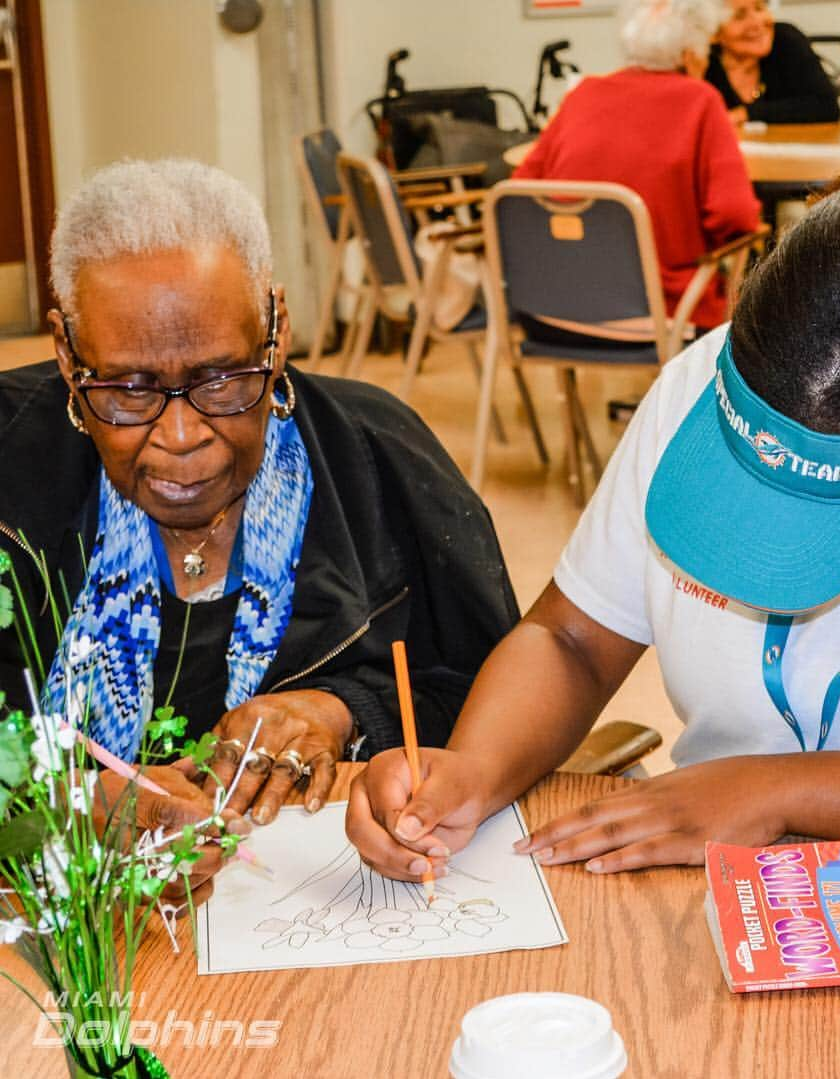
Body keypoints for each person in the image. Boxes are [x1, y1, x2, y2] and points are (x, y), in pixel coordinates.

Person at [346, 150, 840, 890]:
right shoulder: (694, 385)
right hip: (705, 889)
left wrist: (782, 790)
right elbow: (571, 639)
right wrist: (474, 768)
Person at [0, 159, 518, 896]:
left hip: (320, 924)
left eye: (222, 380)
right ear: (65, 353)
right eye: (127, 390)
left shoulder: (378, 460)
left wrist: (340, 710)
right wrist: (53, 803)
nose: (181, 435)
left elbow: (497, 697)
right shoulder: (11, 473)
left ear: (275, 331)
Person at [514, 0, 761, 330]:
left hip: (551, 311)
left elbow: (520, 192)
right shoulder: (700, 101)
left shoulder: (582, 95)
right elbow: (736, 214)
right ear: (690, 55)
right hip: (665, 312)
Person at [704, 0, 840, 125]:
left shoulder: (786, 40)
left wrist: (746, 114)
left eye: (759, 8)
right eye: (740, 16)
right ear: (714, 34)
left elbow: (826, 106)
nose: (757, 23)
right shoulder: (701, 63)